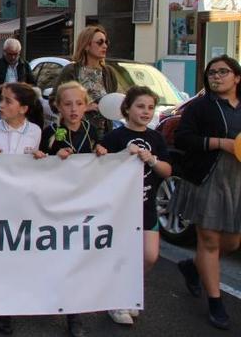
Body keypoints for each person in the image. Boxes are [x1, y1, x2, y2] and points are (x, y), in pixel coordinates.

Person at [174, 55, 241, 330]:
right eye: (211, 73)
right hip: (208, 176)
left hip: (237, 179)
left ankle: (194, 266)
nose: (216, 76)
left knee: (233, 242)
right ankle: (215, 301)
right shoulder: (200, 107)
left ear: (237, 77)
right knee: (210, 239)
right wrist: (219, 143)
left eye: (223, 72)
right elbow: (183, 138)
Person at [96, 86, 171, 327]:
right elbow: (98, 167)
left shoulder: (156, 138)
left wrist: (152, 159)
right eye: (140, 106)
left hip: (146, 205)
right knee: (119, 253)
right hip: (118, 209)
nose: (146, 111)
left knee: (149, 256)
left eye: (150, 107)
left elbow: (168, 171)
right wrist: (115, 155)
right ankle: (117, 298)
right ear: (127, 108)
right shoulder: (114, 137)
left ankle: (127, 290)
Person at [0, 82, 43, 335]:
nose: (1, 105)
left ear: (23, 108)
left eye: (8, 101)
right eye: (1, 100)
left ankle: (16, 298)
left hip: (22, 202)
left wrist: (39, 157)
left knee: (18, 251)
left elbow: (37, 160)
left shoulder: (35, 131)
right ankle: (1, 306)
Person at [32, 81, 96, 337]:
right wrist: (50, 154)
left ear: (86, 105)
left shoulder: (93, 131)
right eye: (67, 104)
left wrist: (102, 152)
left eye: (79, 104)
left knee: (74, 258)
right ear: (57, 105)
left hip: (83, 204)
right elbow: (52, 148)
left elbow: (103, 156)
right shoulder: (55, 130)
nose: (73, 109)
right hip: (54, 204)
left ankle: (73, 313)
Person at [53, 25, 117, 140]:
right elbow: (54, 102)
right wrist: (83, 107)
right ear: (87, 46)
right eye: (100, 42)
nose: (105, 46)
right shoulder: (71, 70)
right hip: (73, 134)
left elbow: (113, 102)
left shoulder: (108, 72)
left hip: (103, 134)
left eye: (106, 42)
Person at [0, 38, 35, 121]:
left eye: (15, 54)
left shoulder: (24, 65)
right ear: (4, 52)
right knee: (1, 132)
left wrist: (24, 87)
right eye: (10, 54)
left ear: (19, 53)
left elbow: (33, 84)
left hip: (19, 107)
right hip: (0, 107)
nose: (13, 57)